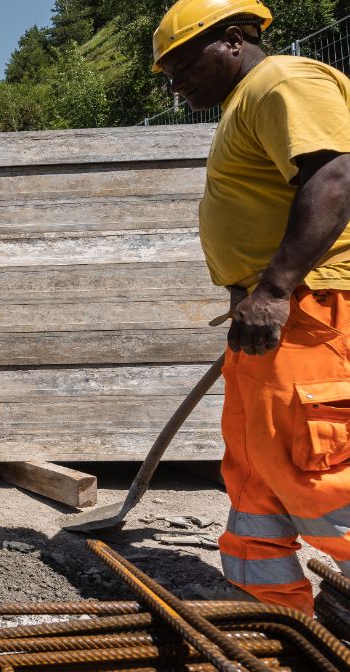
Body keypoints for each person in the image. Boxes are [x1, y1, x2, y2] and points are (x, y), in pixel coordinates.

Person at [154, 0, 350, 615]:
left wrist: (274, 290)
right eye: (169, 77)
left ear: (234, 40)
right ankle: (272, 614)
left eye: (185, 67)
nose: (178, 86)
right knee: (255, 474)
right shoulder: (247, 101)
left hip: (309, 310)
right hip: (272, 320)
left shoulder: (281, 81)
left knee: (316, 474)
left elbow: (336, 176)